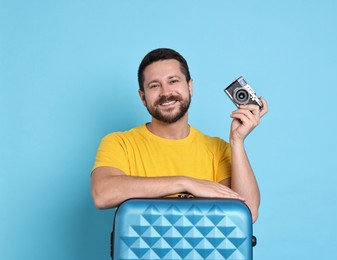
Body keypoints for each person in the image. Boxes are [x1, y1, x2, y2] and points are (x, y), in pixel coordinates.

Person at [90, 48, 268, 223]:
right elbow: (102, 194)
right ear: (142, 97)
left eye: (173, 81)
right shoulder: (119, 143)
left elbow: (248, 213)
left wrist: (237, 141)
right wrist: (186, 183)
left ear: (190, 87)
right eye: (154, 85)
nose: (166, 92)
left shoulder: (219, 150)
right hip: (141, 252)